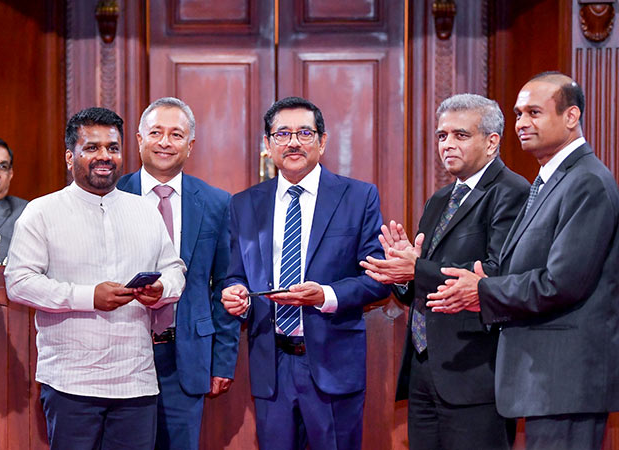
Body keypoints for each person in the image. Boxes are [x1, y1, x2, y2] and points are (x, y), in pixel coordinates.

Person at [426, 73, 619, 450]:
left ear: (571, 116)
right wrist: (483, 284)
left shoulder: (587, 181)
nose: (521, 123)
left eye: (534, 112)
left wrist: (483, 290)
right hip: (546, 381)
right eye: (518, 114)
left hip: (565, 380)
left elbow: (562, 283)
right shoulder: (551, 179)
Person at [4, 107, 186, 450]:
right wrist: (88, 297)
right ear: (69, 156)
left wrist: (162, 289)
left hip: (136, 381)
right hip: (70, 383)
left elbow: (174, 269)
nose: (104, 156)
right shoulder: (42, 211)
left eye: (112, 148)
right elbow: (19, 282)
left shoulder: (145, 211)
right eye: (92, 147)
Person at [360, 93, 528, 449]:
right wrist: (402, 272)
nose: (447, 144)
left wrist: (417, 268)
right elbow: (421, 284)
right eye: (441, 135)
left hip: (475, 371)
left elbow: (497, 273)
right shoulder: (439, 199)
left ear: (492, 142)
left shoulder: (511, 191)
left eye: (460, 135)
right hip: (425, 368)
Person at [221, 96, 389, 450]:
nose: (293, 142)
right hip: (272, 366)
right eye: (282, 134)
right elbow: (235, 274)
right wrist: (236, 294)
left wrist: (326, 296)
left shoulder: (358, 197)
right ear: (268, 144)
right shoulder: (244, 204)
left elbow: (378, 279)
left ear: (322, 141)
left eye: (304, 133)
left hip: (333, 365)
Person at [116, 97, 239, 450]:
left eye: (176, 134)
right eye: (156, 132)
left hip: (185, 356)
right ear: (139, 139)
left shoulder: (216, 202)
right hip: (121, 352)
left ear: (190, 145)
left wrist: (223, 361)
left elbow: (225, 283)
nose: (165, 142)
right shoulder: (112, 194)